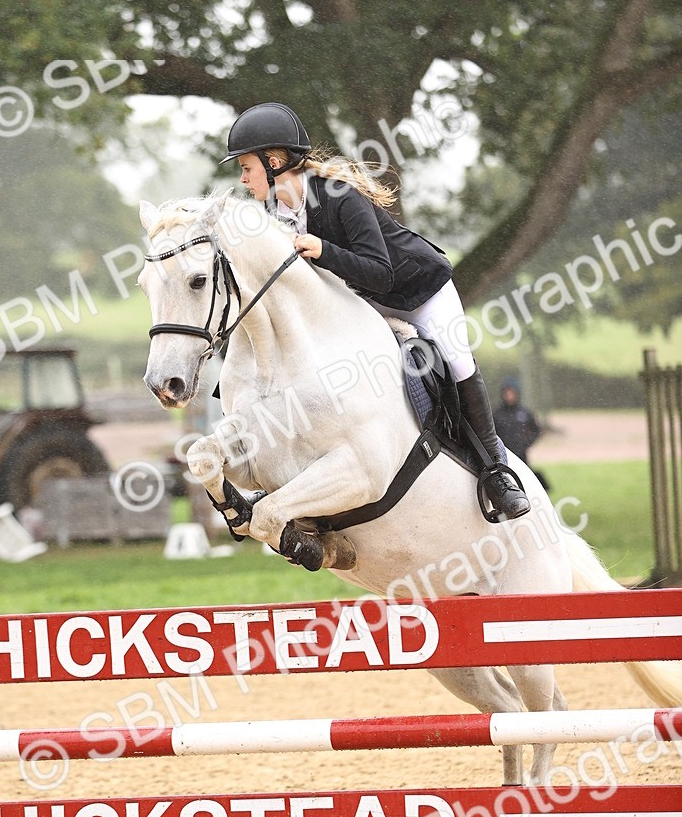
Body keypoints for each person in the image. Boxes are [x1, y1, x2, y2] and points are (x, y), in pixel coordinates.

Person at [221, 102, 530, 521]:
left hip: (417, 291)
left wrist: (325, 250)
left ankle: (497, 470)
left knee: (456, 363)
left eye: (246, 167)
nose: (242, 177)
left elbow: (381, 273)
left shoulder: (340, 198)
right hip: (359, 302)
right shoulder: (273, 214)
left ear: (274, 162)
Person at [494, 377, 550, 492]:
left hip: (521, 455)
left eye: (512, 393)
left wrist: (526, 443)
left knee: (525, 482)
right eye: (507, 393)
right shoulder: (496, 414)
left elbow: (536, 430)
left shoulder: (524, 413)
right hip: (503, 455)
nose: (509, 396)